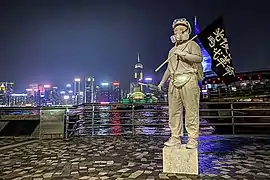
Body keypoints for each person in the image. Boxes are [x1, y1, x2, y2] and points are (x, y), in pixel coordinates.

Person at [158, 18, 203, 149]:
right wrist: (162, 82)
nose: (178, 33)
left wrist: (183, 54)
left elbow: (198, 59)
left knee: (191, 110)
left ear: (187, 31)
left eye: (181, 30)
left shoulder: (192, 44)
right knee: (174, 111)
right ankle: (175, 136)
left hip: (189, 79)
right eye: (175, 31)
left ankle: (192, 137)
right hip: (174, 81)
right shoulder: (172, 51)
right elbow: (168, 68)